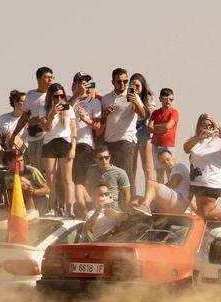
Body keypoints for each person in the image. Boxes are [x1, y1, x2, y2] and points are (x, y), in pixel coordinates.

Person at [184, 113, 221, 218]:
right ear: (199, 126)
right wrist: (198, 138)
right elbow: (186, 149)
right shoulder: (195, 141)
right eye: (205, 125)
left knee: (205, 214)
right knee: (200, 214)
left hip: (211, 183)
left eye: (210, 125)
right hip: (196, 183)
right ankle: (205, 232)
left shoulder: (218, 141)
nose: (208, 128)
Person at [99, 68, 146, 179]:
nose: (122, 84)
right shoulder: (106, 98)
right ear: (112, 82)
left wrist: (135, 102)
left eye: (125, 81)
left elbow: (143, 114)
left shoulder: (133, 96)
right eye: (119, 81)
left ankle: (130, 197)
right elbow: (101, 121)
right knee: (112, 175)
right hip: (109, 141)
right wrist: (105, 113)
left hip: (126, 139)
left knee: (126, 175)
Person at [40, 82, 78, 216]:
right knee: (50, 178)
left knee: (67, 178)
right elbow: (47, 128)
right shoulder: (43, 109)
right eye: (56, 96)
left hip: (65, 143)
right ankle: (52, 208)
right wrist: (52, 113)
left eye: (62, 96)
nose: (59, 99)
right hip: (49, 143)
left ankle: (69, 208)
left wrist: (73, 148)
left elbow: (74, 130)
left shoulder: (69, 108)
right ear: (50, 97)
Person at [8, 66, 54, 167]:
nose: (50, 79)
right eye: (46, 77)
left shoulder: (53, 95)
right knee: (35, 169)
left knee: (45, 170)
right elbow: (24, 117)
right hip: (32, 137)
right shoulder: (30, 94)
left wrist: (38, 119)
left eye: (52, 77)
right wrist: (13, 135)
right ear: (38, 79)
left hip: (47, 137)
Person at [68, 73, 102, 210]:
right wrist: (77, 94)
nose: (83, 85)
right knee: (69, 178)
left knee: (81, 178)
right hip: (67, 143)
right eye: (80, 82)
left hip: (84, 143)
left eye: (86, 82)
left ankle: (83, 206)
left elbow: (98, 126)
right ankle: (74, 206)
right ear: (74, 84)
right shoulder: (68, 99)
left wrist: (85, 118)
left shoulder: (94, 102)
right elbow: (64, 110)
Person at [128, 149, 192, 216]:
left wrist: (156, 190)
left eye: (168, 159)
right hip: (174, 205)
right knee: (136, 199)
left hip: (179, 202)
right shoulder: (173, 172)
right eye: (163, 162)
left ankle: (145, 206)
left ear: (173, 159)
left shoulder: (179, 166)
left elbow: (173, 183)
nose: (167, 163)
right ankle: (128, 216)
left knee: (151, 183)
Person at [128, 73, 158, 194]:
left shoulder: (149, 97)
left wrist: (138, 100)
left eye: (137, 85)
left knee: (147, 167)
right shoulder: (126, 96)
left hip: (144, 130)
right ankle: (132, 195)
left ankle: (150, 196)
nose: (135, 88)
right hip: (131, 130)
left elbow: (148, 114)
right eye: (132, 85)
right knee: (132, 167)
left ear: (142, 86)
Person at [85, 144, 132, 209]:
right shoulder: (91, 169)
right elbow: (87, 187)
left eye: (106, 157)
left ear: (110, 157)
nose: (104, 160)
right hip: (95, 201)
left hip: (110, 202)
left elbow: (127, 193)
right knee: (79, 189)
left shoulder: (120, 172)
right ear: (95, 159)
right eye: (100, 158)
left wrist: (126, 211)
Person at [149, 87, 179, 183]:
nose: (168, 101)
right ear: (160, 99)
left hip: (168, 146)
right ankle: (160, 195)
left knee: (170, 171)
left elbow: (168, 126)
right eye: (166, 99)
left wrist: (156, 128)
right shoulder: (155, 113)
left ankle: (171, 193)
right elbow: (149, 128)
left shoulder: (174, 112)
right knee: (159, 172)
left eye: (171, 99)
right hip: (156, 146)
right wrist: (163, 128)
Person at [0, 90, 26, 161]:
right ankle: (2, 162)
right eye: (23, 101)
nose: (26, 103)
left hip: (22, 151)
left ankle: (13, 163)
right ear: (15, 102)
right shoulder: (3, 117)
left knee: (11, 135)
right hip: (4, 150)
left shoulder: (27, 119)